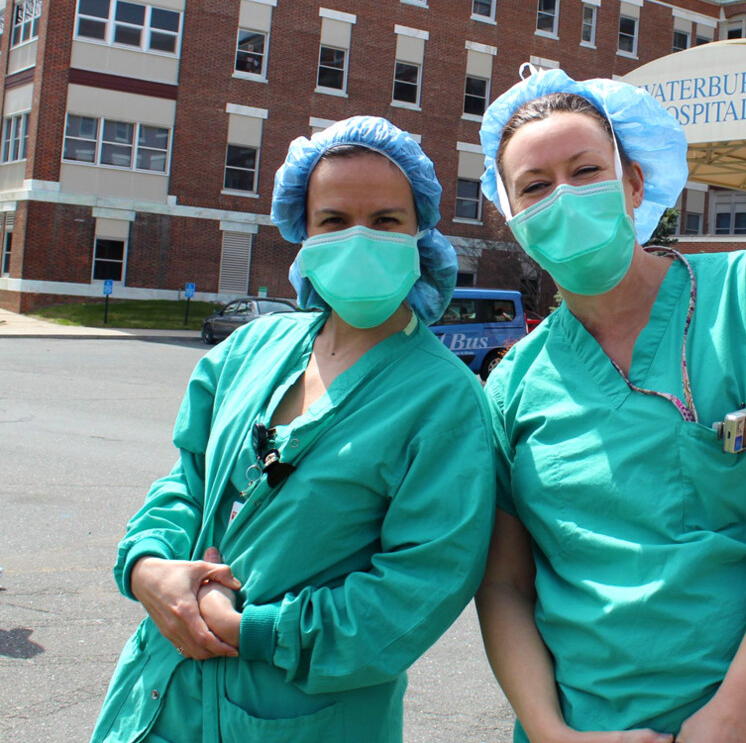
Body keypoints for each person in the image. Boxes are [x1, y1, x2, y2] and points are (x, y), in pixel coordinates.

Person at [474, 68, 746, 743]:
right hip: (595, 722)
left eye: (586, 170)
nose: (564, 198)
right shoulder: (512, 386)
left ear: (635, 183)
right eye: (536, 187)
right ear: (513, 219)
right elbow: (505, 586)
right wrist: (551, 733)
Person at [91, 117, 496, 743]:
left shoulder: (447, 400)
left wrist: (252, 630)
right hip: (158, 697)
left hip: (300, 719)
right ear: (302, 234)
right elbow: (187, 481)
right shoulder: (250, 349)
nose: (359, 239)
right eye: (334, 220)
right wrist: (148, 568)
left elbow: (412, 594)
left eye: (386, 220)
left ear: (421, 234)